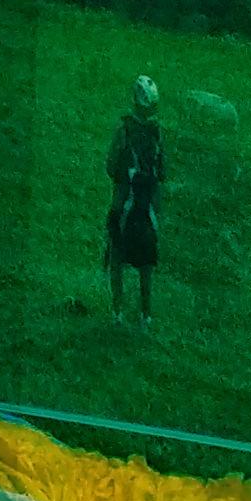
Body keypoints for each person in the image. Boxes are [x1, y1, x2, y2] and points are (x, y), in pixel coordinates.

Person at [105, 74, 167, 319]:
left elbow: (110, 167)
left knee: (116, 258)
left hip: (123, 203)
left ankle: (117, 311)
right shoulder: (157, 133)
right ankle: (146, 315)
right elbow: (163, 172)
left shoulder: (123, 129)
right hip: (148, 207)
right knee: (146, 265)